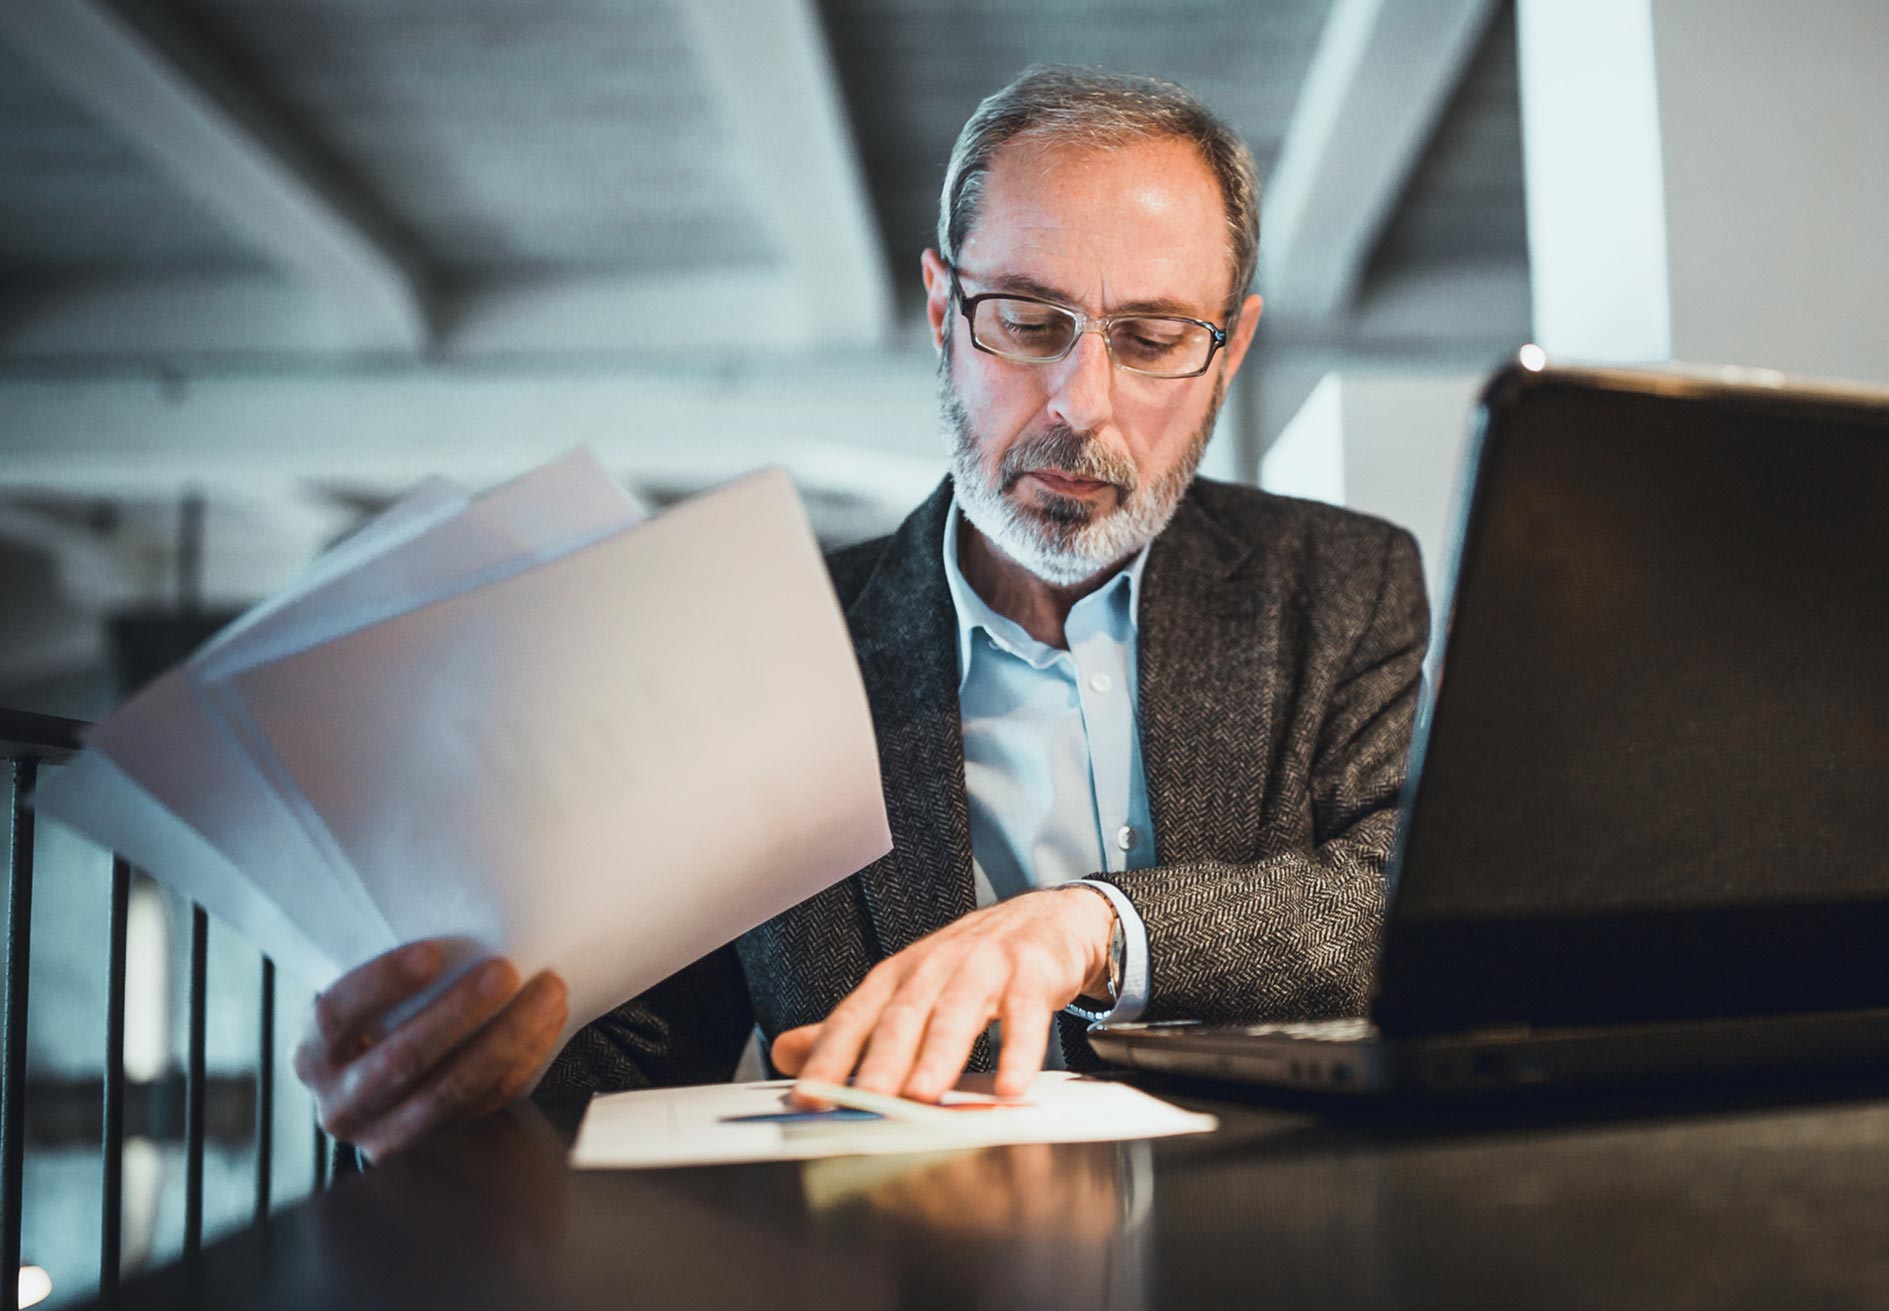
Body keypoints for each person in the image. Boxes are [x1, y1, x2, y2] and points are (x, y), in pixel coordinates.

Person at [297, 66, 1429, 1158]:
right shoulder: (774, 639)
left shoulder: (1344, 582)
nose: (1083, 407)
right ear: (942, 310)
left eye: (1152, 338)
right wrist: (463, 1079)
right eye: (1029, 323)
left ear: (1227, 356)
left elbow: (1400, 899)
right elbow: (635, 1046)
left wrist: (1089, 925)